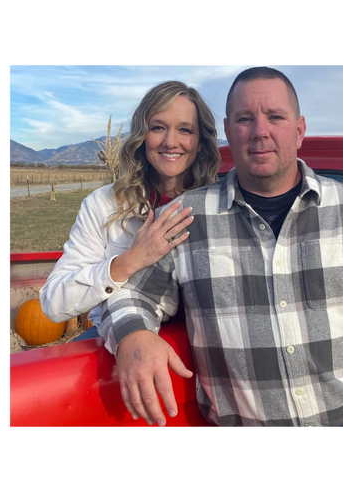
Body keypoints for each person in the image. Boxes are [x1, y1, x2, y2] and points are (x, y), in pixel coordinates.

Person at [99, 67, 343, 430]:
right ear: (227, 131)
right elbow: (128, 294)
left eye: (275, 117)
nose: (260, 131)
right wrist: (134, 335)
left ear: (299, 129)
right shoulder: (184, 220)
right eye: (245, 119)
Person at [39, 81, 221, 341]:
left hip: (202, 343)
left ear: (201, 142)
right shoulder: (104, 204)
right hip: (119, 340)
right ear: (142, 135)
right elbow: (53, 303)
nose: (170, 142)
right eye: (158, 127)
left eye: (185, 129)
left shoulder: (220, 205)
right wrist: (130, 260)